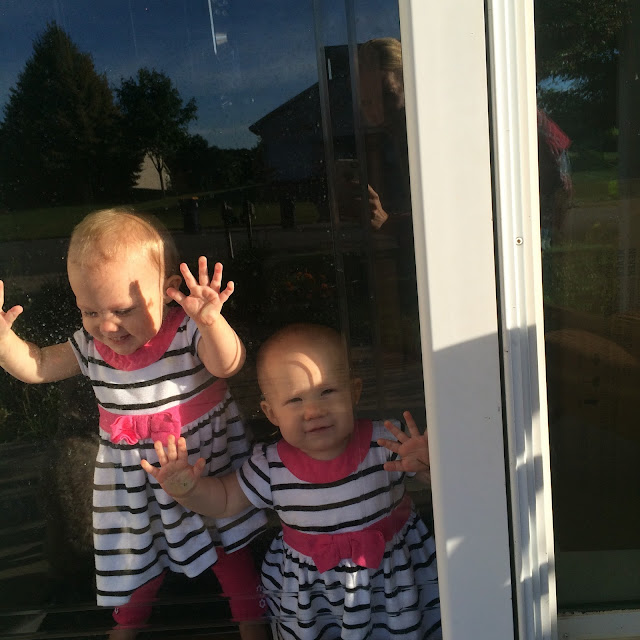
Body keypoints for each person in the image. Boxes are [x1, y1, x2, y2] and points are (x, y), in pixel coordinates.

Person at [0, 209, 268, 640]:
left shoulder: (187, 332)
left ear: (169, 290)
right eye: (89, 311)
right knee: (135, 565)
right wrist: (4, 343)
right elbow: (40, 366)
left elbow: (228, 364)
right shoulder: (89, 346)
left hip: (204, 468)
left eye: (122, 310)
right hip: (137, 486)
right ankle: (125, 629)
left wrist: (211, 322)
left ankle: (253, 627)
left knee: (229, 555)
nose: (106, 326)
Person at [142, 323, 442, 640]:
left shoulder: (386, 442)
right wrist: (188, 489)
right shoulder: (270, 466)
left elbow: (439, 484)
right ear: (271, 413)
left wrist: (428, 464)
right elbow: (226, 500)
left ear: (354, 392)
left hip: (391, 585)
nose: (313, 411)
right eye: (295, 400)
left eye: (327, 392)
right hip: (314, 597)